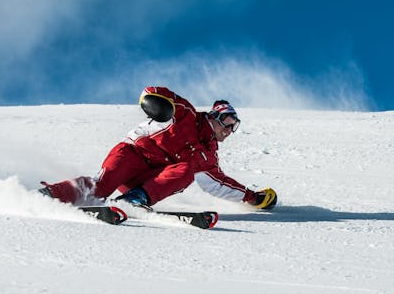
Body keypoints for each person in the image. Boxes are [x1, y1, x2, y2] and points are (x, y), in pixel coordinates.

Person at [39, 86, 277, 210]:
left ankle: (133, 200)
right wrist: (156, 104)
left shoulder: (208, 156)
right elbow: (156, 92)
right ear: (214, 116)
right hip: (132, 155)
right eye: (227, 122)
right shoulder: (186, 115)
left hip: (146, 181)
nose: (229, 130)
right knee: (100, 188)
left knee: (185, 172)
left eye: (234, 127)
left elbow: (219, 184)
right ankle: (52, 195)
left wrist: (252, 197)